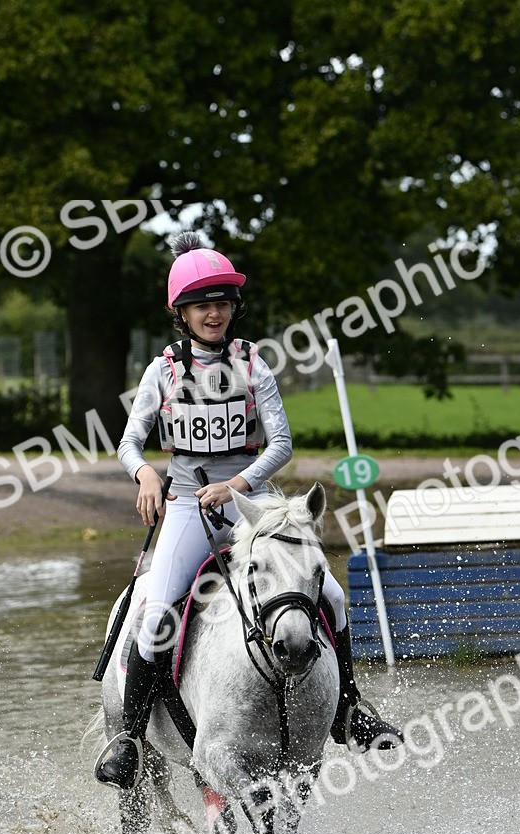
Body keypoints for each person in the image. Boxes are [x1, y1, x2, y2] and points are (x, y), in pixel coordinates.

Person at [96, 232, 402, 789]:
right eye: (201, 304)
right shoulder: (161, 373)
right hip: (189, 506)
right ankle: (132, 740)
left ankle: (350, 710)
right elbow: (129, 442)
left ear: (234, 308)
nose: (214, 312)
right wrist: (143, 473)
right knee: (158, 611)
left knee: (329, 592)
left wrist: (236, 483)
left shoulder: (253, 365)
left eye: (222, 302)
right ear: (181, 314)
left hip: (252, 505)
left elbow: (281, 446)